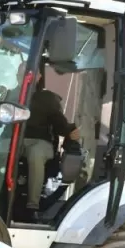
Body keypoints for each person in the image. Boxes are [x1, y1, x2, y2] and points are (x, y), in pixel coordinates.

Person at [22, 74, 81, 218]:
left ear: (38, 76)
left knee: (35, 154)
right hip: (14, 141)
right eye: (20, 71)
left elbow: (59, 123)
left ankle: (32, 205)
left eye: (26, 71)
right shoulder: (11, 94)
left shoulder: (47, 98)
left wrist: (70, 131)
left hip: (41, 142)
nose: (22, 75)